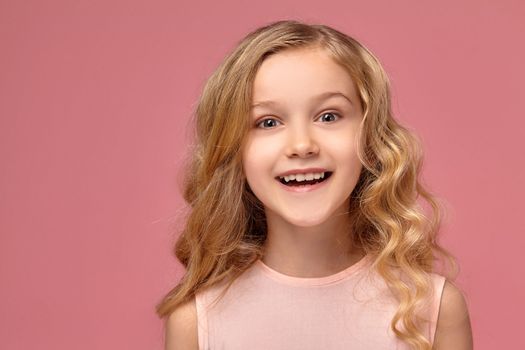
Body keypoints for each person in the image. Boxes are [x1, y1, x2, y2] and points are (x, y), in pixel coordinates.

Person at [156, 20, 473, 350]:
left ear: (372, 137)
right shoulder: (197, 322)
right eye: (268, 122)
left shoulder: (433, 310)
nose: (302, 144)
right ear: (233, 149)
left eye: (329, 116)